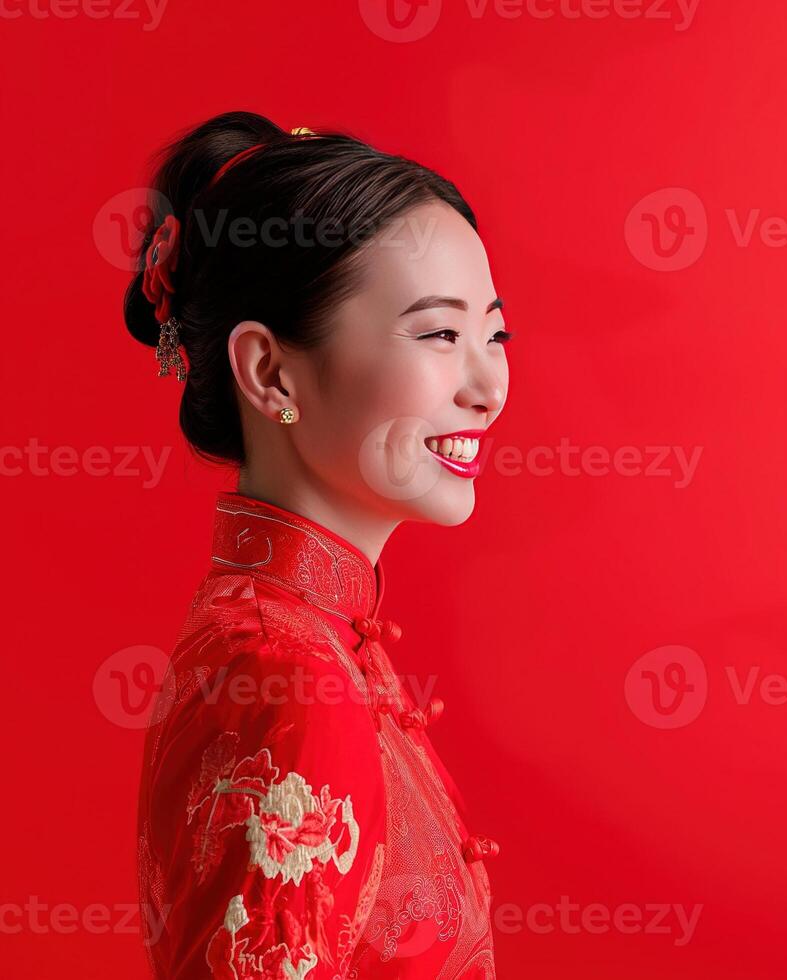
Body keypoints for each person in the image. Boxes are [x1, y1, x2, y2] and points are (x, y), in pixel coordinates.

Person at [128, 111, 510, 979]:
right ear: (269, 372)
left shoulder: (296, 640)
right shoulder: (288, 674)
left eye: (496, 332)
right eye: (441, 334)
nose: (489, 387)